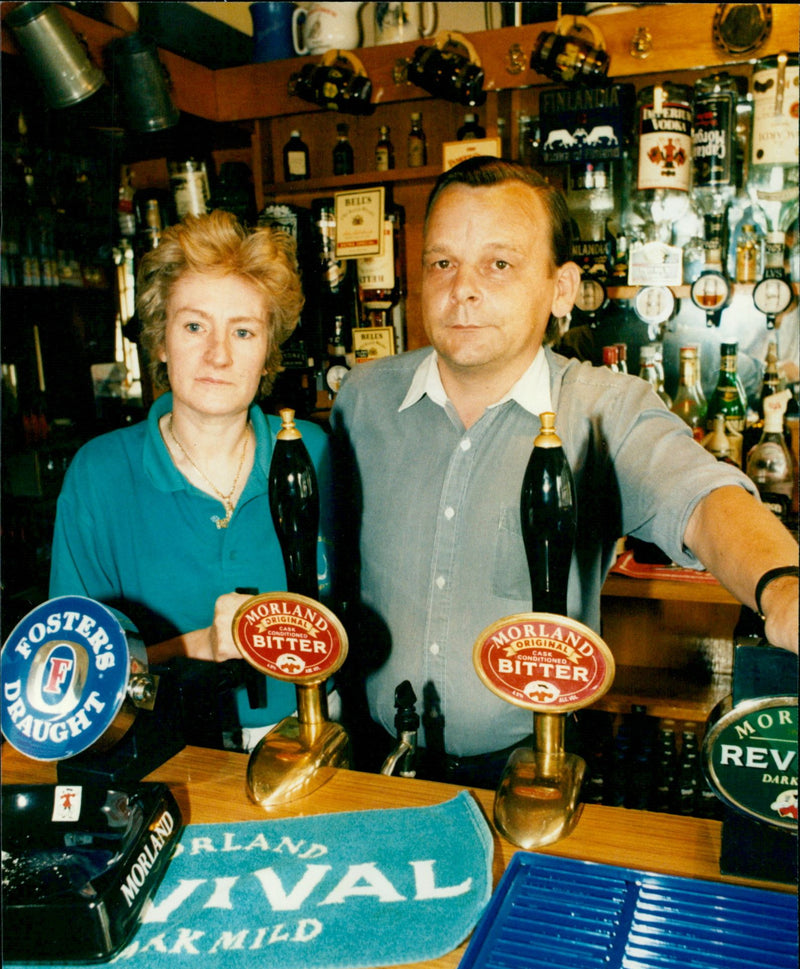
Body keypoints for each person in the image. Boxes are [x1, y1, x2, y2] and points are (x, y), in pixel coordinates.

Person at [330, 158, 799, 785]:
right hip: (375, 759)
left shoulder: (606, 408)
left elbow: (706, 500)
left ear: (561, 289)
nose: (462, 288)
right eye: (442, 263)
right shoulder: (362, 399)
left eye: (499, 264)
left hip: (532, 769)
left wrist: (784, 588)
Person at [49, 210, 334, 749]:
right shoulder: (100, 474)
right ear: (160, 340)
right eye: (194, 326)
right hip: (164, 745)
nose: (218, 355)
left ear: (268, 354)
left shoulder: (314, 454)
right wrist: (201, 643)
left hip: (315, 734)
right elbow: (74, 676)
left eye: (243, 331)